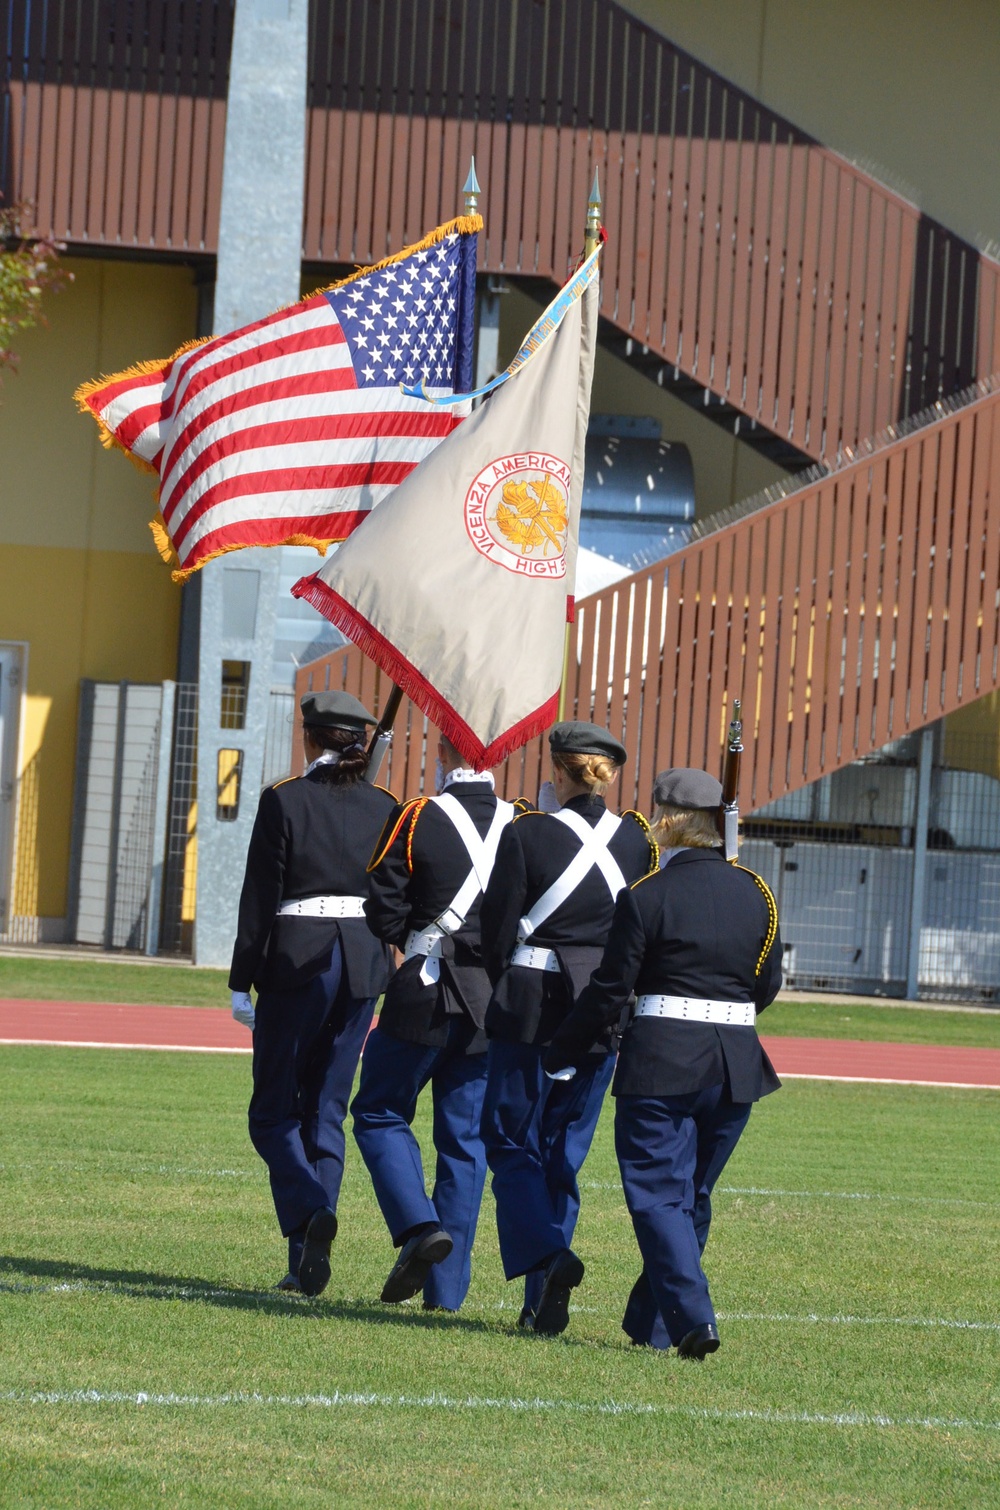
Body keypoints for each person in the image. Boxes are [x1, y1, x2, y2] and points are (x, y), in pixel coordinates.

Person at [543, 767, 782, 1359]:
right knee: (692, 1196)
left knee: (657, 1195)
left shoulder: (647, 894)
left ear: (672, 821)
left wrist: (562, 1049)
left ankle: (693, 1321)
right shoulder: (758, 892)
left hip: (664, 1060)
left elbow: (609, 989)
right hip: (735, 1063)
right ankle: (653, 1323)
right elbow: (767, 985)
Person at [478, 721, 658, 1335]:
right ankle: (540, 1302)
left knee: (506, 1138)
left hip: (531, 1002)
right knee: (562, 1154)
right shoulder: (636, 843)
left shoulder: (526, 832)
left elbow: (498, 929)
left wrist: (501, 980)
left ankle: (550, 1261)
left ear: (557, 769)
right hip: (602, 1009)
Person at [352, 735, 532, 1310]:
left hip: (424, 991)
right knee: (465, 1144)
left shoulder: (417, 815)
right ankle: (446, 1294)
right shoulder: (522, 822)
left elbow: (380, 904)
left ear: (445, 758)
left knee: (378, 1111)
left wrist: (413, 932)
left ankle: (418, 1228)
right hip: (491, 1002)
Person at [229, 690, 396, 1297]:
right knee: (326, 1108)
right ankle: (305, 1261)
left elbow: (259, 898)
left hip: (299, 959)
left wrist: (239, 978)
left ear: (311, 738)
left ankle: (308, 1212)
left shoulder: (284, 800)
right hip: (362, 962)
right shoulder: (385, 805)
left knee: (273, 1111)